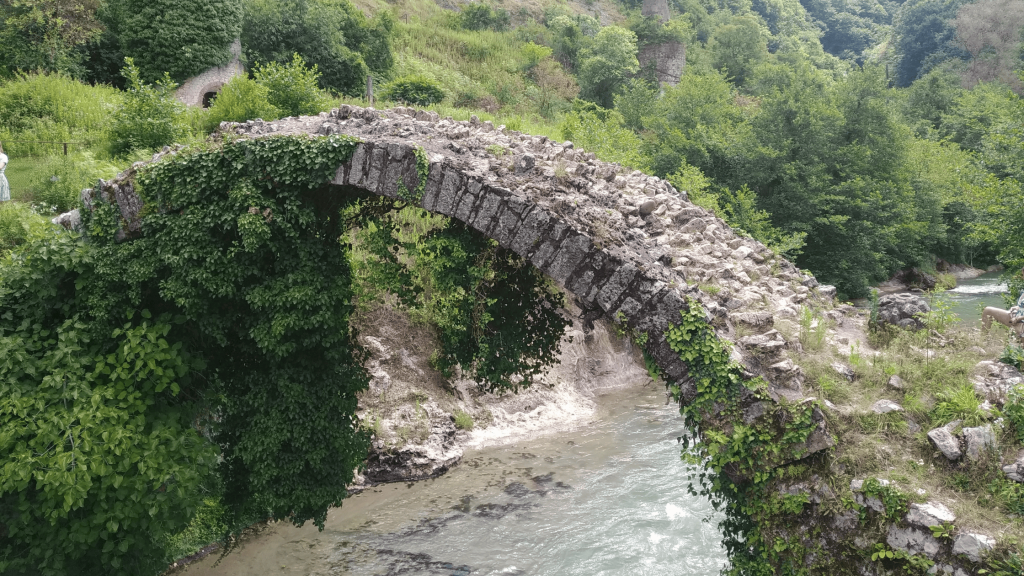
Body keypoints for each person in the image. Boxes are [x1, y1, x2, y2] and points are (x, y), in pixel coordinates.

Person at [982, 266, 1024, 337]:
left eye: (1023, 275)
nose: (1022, 278)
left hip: (1020, 320)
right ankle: (983, 340)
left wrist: (1018, 318)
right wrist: (1016, 308)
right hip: (1016, 315)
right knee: (988, 311)